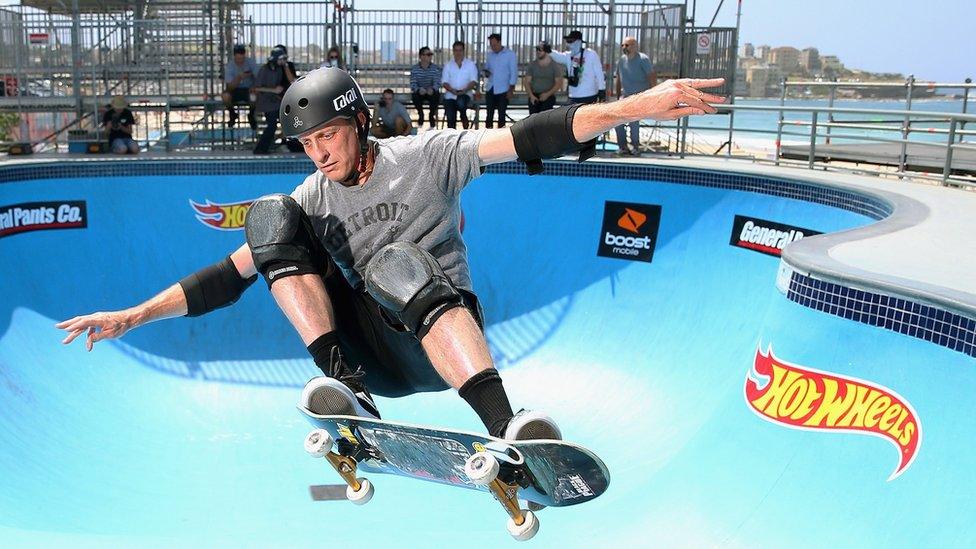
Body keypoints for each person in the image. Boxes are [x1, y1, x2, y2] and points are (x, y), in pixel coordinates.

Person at [58, 67, 724, 445]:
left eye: (327, 137)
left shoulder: (428, 156)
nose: (318, 154)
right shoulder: (313, 192)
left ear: (358, 125)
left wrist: (641, 104)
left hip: (434, 336)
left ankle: (507, 424)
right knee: (271, 217)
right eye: (307, 143)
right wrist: (133, 315)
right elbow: (227, 279)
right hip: (369, 348)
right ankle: (345, 384)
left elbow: (530, 135)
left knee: (394, 263)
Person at [614, 36, 657, 156]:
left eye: (627, 45)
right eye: (623, 45)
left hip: (640, 97)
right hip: (625, 96)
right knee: (616, 120)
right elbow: (618, 79)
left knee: (633, 120)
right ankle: (623, 147)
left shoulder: (643, 59)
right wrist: (617, 97)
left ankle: (635, 147)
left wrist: (653, 95)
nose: (624, 47)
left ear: (634, 46)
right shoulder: (622, 60)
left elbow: (652, 76)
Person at [550, 30, 606, 105]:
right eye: (568, 41)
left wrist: (601, 90)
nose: (569, 44)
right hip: (573, 96)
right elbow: (558, 57)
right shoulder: (569, 55)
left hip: (589, 95)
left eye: (571, 41)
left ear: (579, 42)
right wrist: (549, 51)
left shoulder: (591, 54)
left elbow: (599, 73)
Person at [252, 46, 286, 154]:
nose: (283, 61)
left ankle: (269, 146)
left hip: (276, 102)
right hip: (266, 102)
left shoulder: (279, 69)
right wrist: (273, 90)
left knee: (285, 122)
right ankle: (261, 148)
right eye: (281, 59)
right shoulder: (264, 69)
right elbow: (256, 88)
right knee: (272, 125)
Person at [272, 44, 303, 153]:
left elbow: (292, 81)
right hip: (274, 99)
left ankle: (286, 142)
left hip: (288, 99)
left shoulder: (288, 65)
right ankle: (279, 141)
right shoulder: (272, 66)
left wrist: (285, 65)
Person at [483, 33, 517, 128]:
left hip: (504, 89)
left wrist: (511, 89)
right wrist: (486, 72)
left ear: (499, 42)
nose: (493, 47)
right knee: (489, 114)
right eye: (491, 45)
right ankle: (487, 137)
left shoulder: (510, 55)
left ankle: (500, 138)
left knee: (501, 114)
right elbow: (487, 69)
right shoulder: (490, 55)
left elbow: (513, 72)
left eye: (494, 45)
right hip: (490, 88)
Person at [441, 40, 478, 129]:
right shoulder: (448, 65)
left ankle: (464, 118)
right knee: (450, 117)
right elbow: (444, 82)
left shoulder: (470, 64)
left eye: (460, 50)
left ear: (463, 51)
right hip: (450, 94)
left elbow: (473, 81)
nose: (458, 53)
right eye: (456, 50)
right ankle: (451, 135)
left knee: (461, 102)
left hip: (465, 93)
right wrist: (452, 90)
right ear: (453, 51)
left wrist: (465, 90)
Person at [222, 44, 258, 131]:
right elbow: (230, 86)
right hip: (234, 90)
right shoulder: (230, 66)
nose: (240, 61)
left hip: (248, 89)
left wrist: (254, 85)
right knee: (225, 96)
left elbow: (259, 77)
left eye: (242, 59)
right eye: (238, 59)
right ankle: (232, 114)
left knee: (254, 96)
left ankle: (251, 114)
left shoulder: (251, 62)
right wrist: (239, 77)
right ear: (234, 56)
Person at [523, 40, 565, 115]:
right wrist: (531, 96)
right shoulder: (532, 65)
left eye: (540, 50)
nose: (538, 52)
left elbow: (559, 83)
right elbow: (527, 82)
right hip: (534, 95)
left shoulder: (554, 66)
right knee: (533, 121)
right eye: (537, 49)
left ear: (546, 51)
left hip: (548, 96)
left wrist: (547, 94)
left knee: (544, 120)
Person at [409, 46, 441, 129]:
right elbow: (413, 83)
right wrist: (419, 89)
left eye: (430, 54)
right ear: (421, 56)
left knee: (436, 95)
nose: (430, 56)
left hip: (431, 92)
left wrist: (433, 89)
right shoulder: (415, 69)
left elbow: (437, 82)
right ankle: (421, 115)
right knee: (415, 96)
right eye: (428, 54)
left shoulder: (435, 68)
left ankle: (431, 117)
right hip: (420, 92)